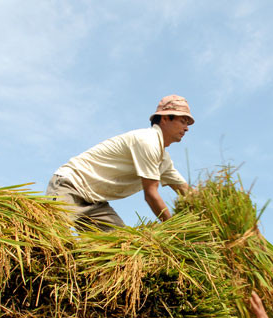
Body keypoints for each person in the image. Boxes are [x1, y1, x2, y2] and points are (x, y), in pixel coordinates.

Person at [46, 95, 193, 230]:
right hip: (71, 185)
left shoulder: (163, 159)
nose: (186, 128)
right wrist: (174, 229)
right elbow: (151, 194)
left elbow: (186, 192)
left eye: (187, 124)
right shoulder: (147, 140)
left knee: (120, 245)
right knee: (52, 237)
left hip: (95, 202)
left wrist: (209, 203)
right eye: (182, 121)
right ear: (165, 119)